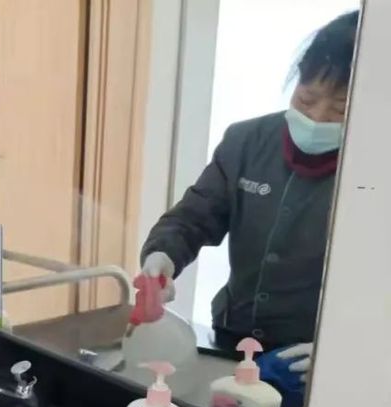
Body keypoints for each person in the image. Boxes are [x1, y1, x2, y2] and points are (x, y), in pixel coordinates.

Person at [140, 10, 359, 383]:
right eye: (307, 99)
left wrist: (350, 347)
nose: (318, 117)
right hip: (232, 338)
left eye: (339, 110)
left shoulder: (374, 170)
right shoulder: (246, 141)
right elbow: (193, 217)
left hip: (310, 363)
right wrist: (162, 256)